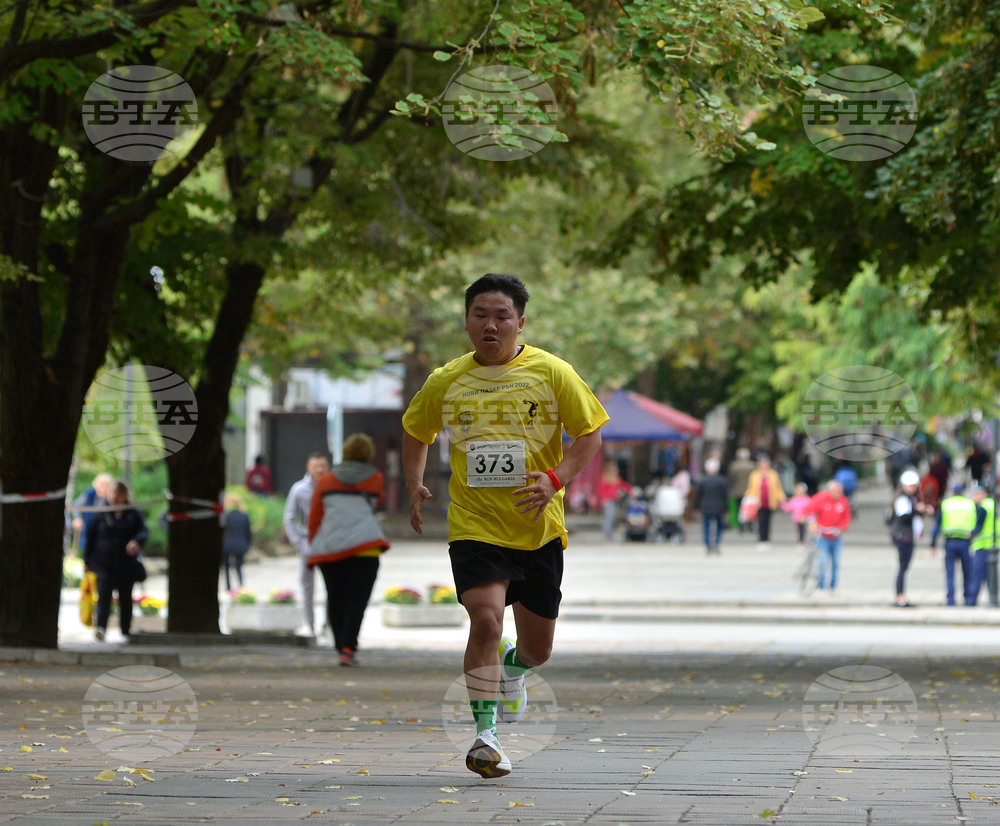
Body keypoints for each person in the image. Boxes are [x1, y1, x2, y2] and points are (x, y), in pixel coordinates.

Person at [402, 273, 607, 779]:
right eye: (481, 315)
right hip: (474, 523)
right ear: (467, 321)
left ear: (520, 323)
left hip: (538, 526)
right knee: (487, 620)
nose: (491, 325)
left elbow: (589, 437)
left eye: (502, 316)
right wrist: (414, 483)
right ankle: (485, 737)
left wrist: (554, 479)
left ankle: (514, 667)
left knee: (537, 650)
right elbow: (415, 431)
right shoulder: (446, 380)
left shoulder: (553, 371)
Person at [307, 434, 389, 666]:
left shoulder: (326, 481)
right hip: (365, 549)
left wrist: (317, 544)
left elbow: (315, 517)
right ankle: (347, 648)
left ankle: (339, 643)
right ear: (368, 454)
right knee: (357, 601)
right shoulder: (375, 479)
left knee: (335, 598)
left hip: (331, 551)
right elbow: (379, 499)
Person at [83, 480, 148, 641]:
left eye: (118, 493)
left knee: (126, 598)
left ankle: (125, 631)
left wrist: (136, 542)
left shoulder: (133, 514)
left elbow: (143, 531)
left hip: (126, 565)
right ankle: (101, 629)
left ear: (125, 495)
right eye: (112, 493)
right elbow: (89, 537)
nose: (114, 497)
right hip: (103, 564)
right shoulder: (100, 513)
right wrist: (87, 561)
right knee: (104, 597)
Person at [283, 452, 331, 636]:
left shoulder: (332, 487)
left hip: (329, 545)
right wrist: (297, 542)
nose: (319, 469)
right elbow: (289, 518)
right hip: (307, 545)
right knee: (307, 588)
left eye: (323, 466)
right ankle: (310, 624)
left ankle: (328, 624)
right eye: (315, 466)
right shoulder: (299, 489)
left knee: (332, 587)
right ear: (308, 468)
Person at [889, 468, 934, 607]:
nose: (913, 488)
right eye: (910, 485)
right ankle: (900, 597)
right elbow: (904, 517)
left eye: (914, 486)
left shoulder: (910, 498)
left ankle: (901, 595)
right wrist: (918, 510)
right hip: (903, 536)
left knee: (904, 567)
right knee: (903, 567)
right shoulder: (902, 498)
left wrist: (922, 510)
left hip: (907, 536)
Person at [800, 481, 852, 593]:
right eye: (836, 491)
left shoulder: (842, 501)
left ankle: (833, 585)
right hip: (823, 536)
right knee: (822, 561)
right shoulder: (821, 499)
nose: (839, 493)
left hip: (836, 535)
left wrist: (842, 528)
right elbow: (807, 511)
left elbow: (846, 516)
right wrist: (812, 522)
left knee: (836, 562)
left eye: (840, 491)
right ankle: (821, 585)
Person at [934, 484, 977, 606]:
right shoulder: (970, 504)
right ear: (963, 492)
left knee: (950, 572)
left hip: (950, 541)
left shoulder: (946, 504)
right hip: (965, 542)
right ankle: (968, 598)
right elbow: (975, 521)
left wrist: (933, 543)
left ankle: (950, 599)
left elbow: (937, 524)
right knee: (967, 572)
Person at [744, 456, 786, 551]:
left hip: (770, 502)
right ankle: (761, 540)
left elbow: (778, 488)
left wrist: (781, 497)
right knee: (761, 522)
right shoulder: (754, 475)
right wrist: (748, 498)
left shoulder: (773, 475)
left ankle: (767, 540)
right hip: (758, 503)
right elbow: (751, 488)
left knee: (768, 522)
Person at [72, 472, 114, 553]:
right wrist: (77, 518)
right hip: (88, 529)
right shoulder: (90, 494)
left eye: (104, 486)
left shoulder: (111, 499)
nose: (100, 488)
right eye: (99, 486)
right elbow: (76, 505)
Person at [693, 458, 728, 554]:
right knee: (719, 526)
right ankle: (716, 542)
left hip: (706, 506)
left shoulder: (703, 481)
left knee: (706, 526)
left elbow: (698, 495)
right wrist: (726, 508)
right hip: (719, 506)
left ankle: (708, 544)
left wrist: (696, 507)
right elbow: (725, 496)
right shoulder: (722, 481)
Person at [967, 485, 995, 605]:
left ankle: (971, 601)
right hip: (992, 545)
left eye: (976, 494)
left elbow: (979, 527)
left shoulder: (983, 507)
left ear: (983, 494)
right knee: (990, 576)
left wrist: (971, 534)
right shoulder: (992, 505)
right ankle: (993, 599)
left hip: (983, 545)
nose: (974, 497)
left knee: (977, 575)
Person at [221, 492, 251, 592]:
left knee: (226, 567)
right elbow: (248, 533)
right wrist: (247, 545)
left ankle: (228, 587)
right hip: (240, 544)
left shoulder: (226, 516)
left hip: (227, 544)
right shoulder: (244, 516)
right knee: (239, 566)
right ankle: (241, 585)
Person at [597, 459, 631, 540]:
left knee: (613, 517)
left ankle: (610, 533)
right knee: (609, 517)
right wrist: (603, 499)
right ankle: (607, 535)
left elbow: (624, 486)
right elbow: (601, 489)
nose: (616, 470)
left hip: (615, 500)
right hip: (608, 501)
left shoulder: (616, 478)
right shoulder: (605, 478)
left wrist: (631, 490)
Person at [727, 447, 755, 531]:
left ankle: (741, 526)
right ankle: (750, 525)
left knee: (739, 508)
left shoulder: (734, 466)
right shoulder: (752, 465)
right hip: (750, 490)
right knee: (750, 508)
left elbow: (731, 478)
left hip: (737, 490)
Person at [781, 482, 813, 551]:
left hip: (804, 519)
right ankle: (799, 543)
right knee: (798, 531)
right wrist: (782, 503)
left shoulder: (807, 499)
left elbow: (810, 509)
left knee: (804, 531)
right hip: (796, 519)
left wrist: (809, 517)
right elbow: (788, 507)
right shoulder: (794, 499)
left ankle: (805, 542)